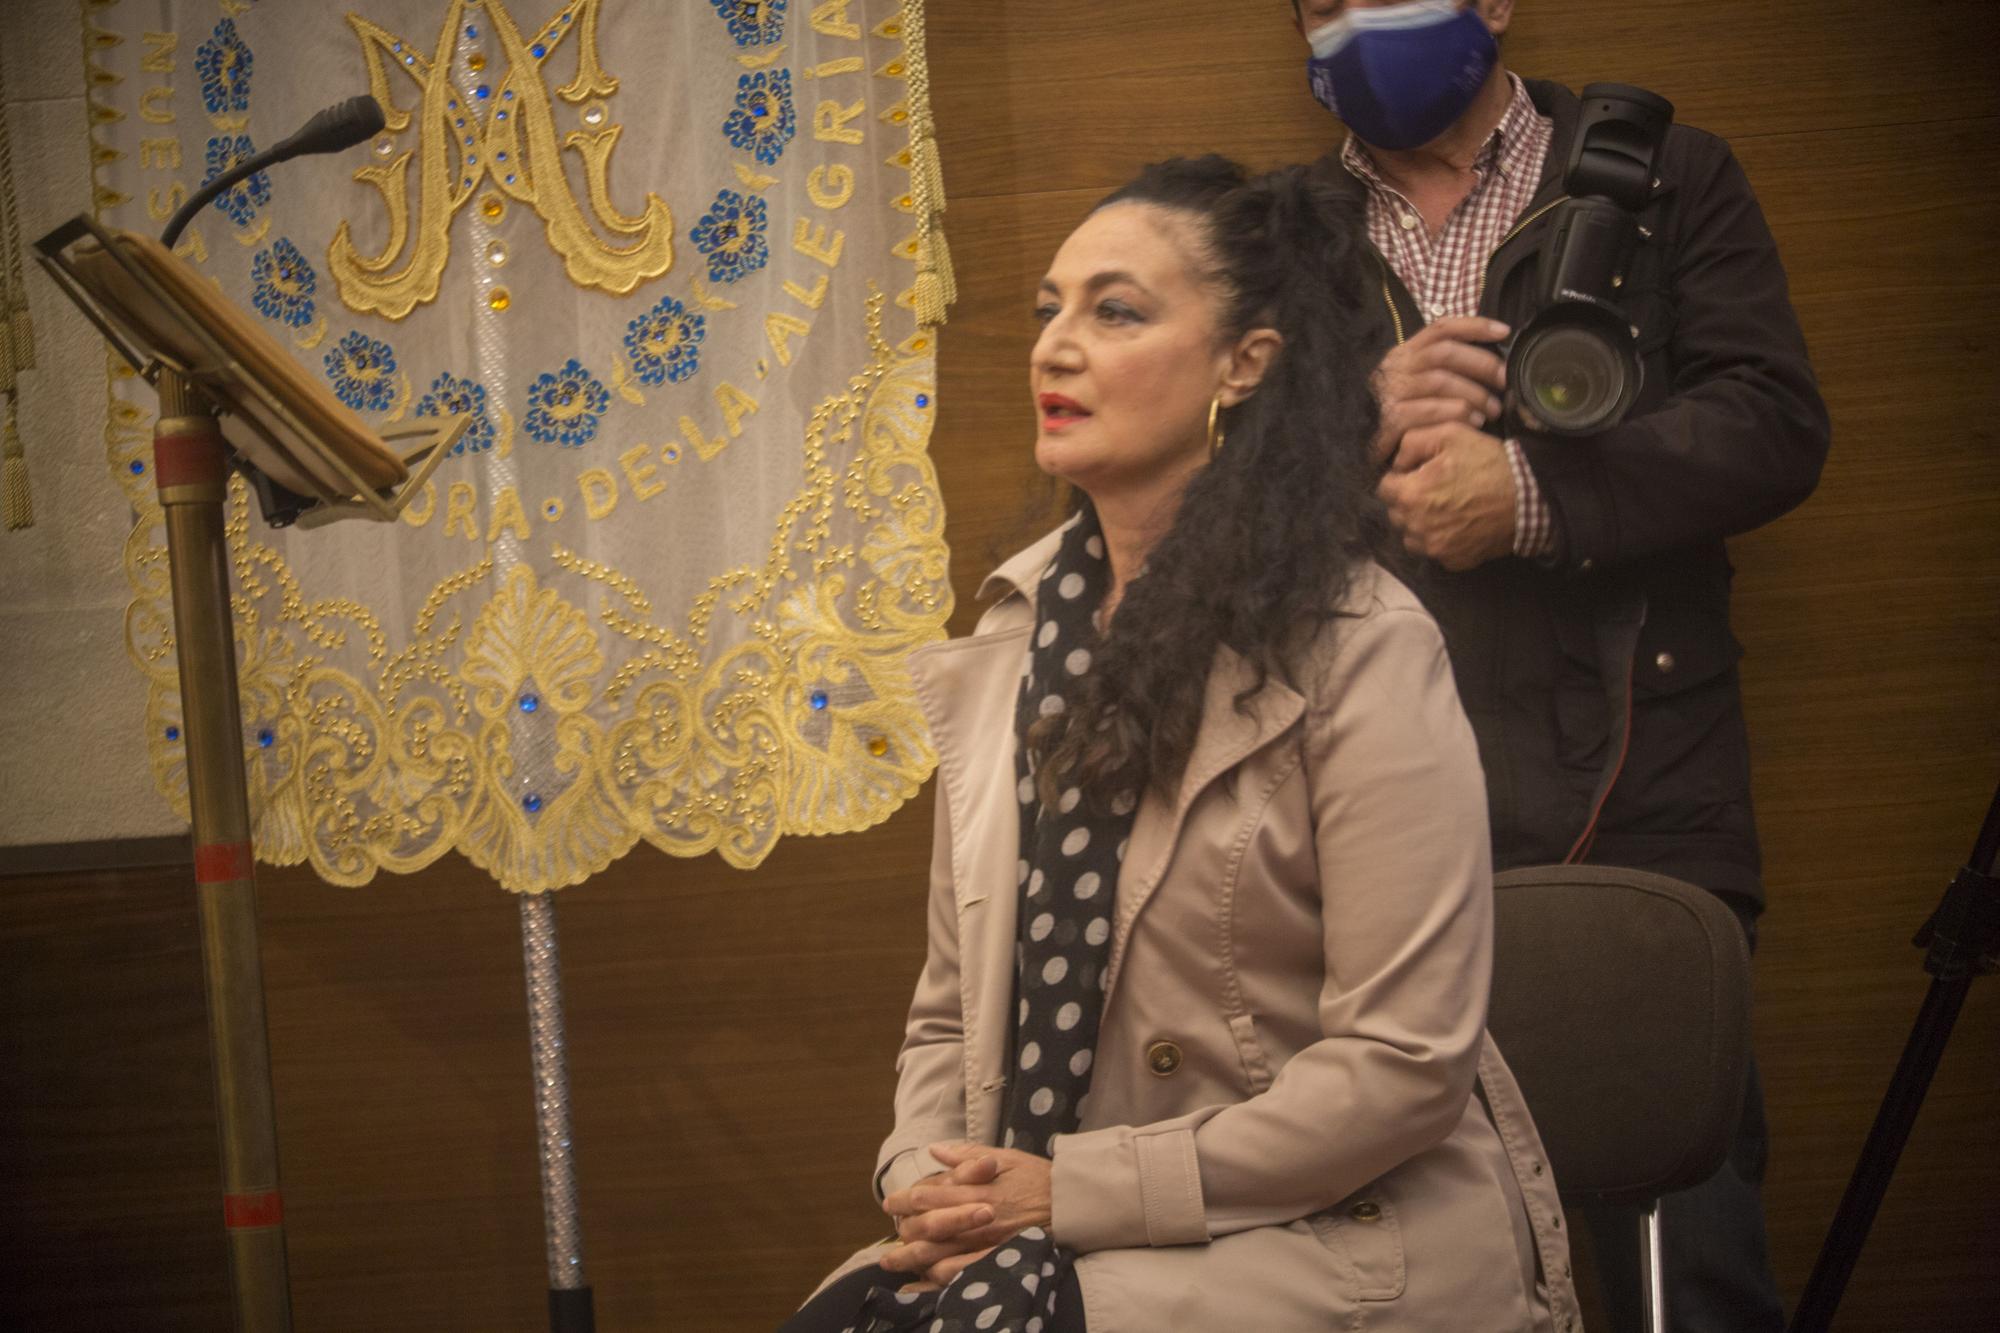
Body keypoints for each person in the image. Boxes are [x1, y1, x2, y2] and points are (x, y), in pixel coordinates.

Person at [779, 157, 1580, 1333]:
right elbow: (949, 1018)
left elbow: (1401, 1067)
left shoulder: (1360, 644)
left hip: (1328, 1237)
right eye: (1049, 308)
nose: (1055, 345)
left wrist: (1074, 1192)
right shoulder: (1010, 637)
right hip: (1053, 1220)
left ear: (1242, 364)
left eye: (1114, 311)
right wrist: (927, 1181)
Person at [1289, 2, 1833, 1329]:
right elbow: (1198, 504)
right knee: (1409, 1267)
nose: (1352, 18)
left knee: (1686, 1262)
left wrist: (1530, 492)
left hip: (1648, 789)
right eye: (1315, 1)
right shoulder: (1275, 236)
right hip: (1376, 816)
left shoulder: (1667, 175)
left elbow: (1772, 424)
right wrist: (1359, 428)